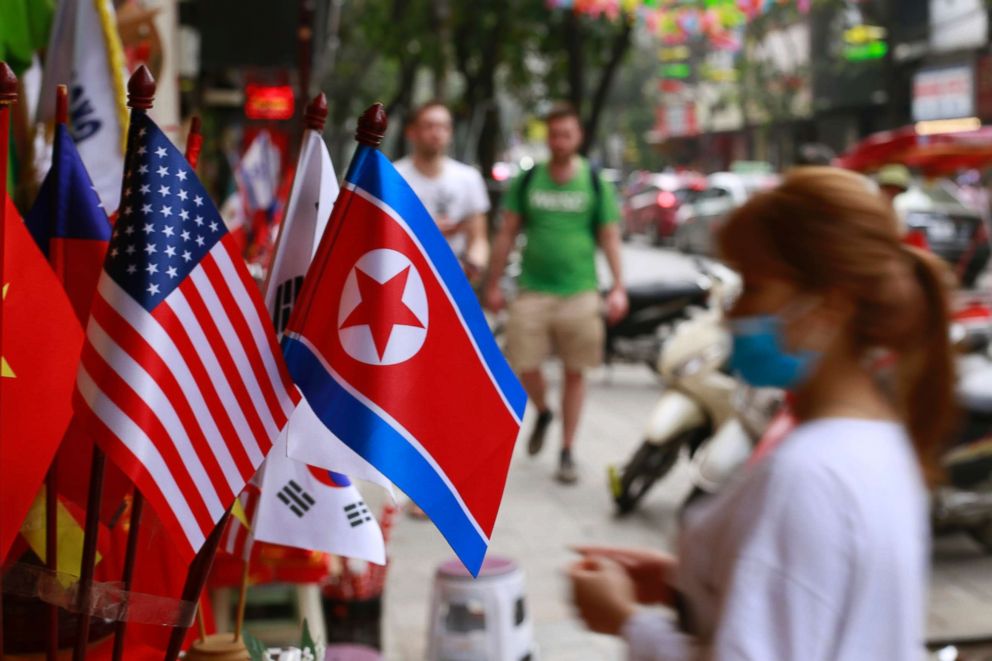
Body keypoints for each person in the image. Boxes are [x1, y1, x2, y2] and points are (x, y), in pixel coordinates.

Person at [568, 167, 955, 658]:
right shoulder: (877, 439)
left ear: (828, 307)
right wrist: (678, 583)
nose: (732, 312)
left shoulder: (810, 475)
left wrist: (626, 621)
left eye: (752, 286)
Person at [485, 103, 628, 484]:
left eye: (567, 133)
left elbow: (610, 237)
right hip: (532, 290)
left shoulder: (595, 181)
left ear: (578, 137)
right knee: (520, 361)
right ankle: (544, 411)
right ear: (547, 138)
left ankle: (566, 450)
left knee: (575, 371)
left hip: (581, 290)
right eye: (554, 133)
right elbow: (507, 233)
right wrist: (494, 283)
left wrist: (618, 287)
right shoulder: (529, 180)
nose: (560, 140)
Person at [394, 101, 490, 282]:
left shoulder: (469, 178)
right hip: (404, 276)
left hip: (454, 279)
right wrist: (427, 231)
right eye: (429, 126)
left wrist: (473, 266)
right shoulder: (393, 178)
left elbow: (479, 237)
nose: (436, 133)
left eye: (443, 126)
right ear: (411, 132)